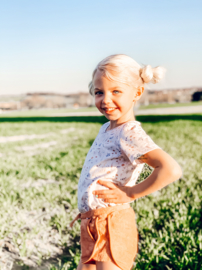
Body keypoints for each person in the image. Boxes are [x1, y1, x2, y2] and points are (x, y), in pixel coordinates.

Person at [70, 54, 182, 270]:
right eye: (99, 92)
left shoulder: (129, 132)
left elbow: (170, 169)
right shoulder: (107, 128)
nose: (105, 100)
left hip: (112, 222)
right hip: (92, 221)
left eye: (116, 92)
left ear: (137, 93)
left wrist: (131, 193)